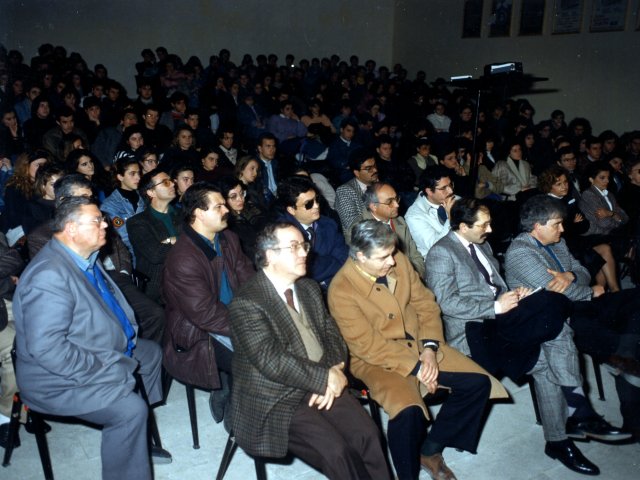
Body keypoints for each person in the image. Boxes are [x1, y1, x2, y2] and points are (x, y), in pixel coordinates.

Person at [425, 198, 628, 476]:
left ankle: (561, 437)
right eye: (484, 224)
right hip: (475, 330)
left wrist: (517, 295)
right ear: (462, 226)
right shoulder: (441, 253)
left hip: (504, 317)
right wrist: (495, 306)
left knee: (551, 333)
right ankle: (578, 414)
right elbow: (446, 303)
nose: (491, 229)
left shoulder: (481, 244)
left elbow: (496, 284)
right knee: (553, 313)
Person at [328, 220, 506, 480]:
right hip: (375, 360)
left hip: (420, 345)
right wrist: (419, 368)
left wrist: (430, 349)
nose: (391, 261)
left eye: (392, 253)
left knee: (479, 384)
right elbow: (367, 345)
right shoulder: (341, 289)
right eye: (383, 257)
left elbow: (426, 304)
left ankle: (430, 451)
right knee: (407, 411)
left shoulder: (397, 258)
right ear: (359, 257)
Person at [13, 196, 165, 480]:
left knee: (151, 354)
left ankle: (134, 437)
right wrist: (109, 367)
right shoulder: (49, 276)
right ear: (71, 229)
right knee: (129, 411)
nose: (106, 224)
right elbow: (48, 351)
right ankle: (129, 428)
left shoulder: (82, 257)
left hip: (96, 346)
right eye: (97, 220)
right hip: (54, 380)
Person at [228, 222, 391, 480]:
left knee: (367, 435)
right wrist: (324, 379)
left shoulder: (308, 288)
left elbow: (332, 334)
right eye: (294, 247)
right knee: (337, 452)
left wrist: (335, 370)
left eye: (303, 245)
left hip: (324, 376)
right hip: (277, 395)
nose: (305, 252)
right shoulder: (247, 303)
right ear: (270, 256)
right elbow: (271, 361)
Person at [504, 194, 640, 441]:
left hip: (582, 303)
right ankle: (625, 360)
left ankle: (626, 355)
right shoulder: (520, 253)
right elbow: (556, 290)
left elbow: (583, 271)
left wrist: (571, 275)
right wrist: (590, 291)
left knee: (635, 299)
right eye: (557, 224)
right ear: (537, 226)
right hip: (561, 315)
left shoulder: (556, 241)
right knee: (614, 337)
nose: (562, 229)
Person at [163, 182, 254, 421]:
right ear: (198, 213)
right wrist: (251, 326)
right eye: (219, 206)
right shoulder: (183, 258)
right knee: (254, 357)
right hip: (198, 331)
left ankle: (235, 391)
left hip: (232, 315)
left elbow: (249, 280)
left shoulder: (228, 239)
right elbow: (205, 314)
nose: (227, 209)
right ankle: (238, 421)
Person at [276, 176, 348, 289]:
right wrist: (329, 262)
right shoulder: (282, 233)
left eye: (317, 199)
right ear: (291, 210)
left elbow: (343, 259)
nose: (316, 205)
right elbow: (301, 273)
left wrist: (316, 263)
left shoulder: (329, 224)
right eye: (308, 204)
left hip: (336, 283)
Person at [127, 170, 182, 303]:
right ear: (151, 192)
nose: (173, 184)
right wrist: (183, 240)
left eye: (171, 181)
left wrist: (171, 241)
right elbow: (156, 254)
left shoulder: (183, 215)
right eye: (165, 182)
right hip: (159, 286)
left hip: (189, 276)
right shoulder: (137, 222)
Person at [0, 232, 23, 448]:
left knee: (42, 330)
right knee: (15, 347)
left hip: (7, 298)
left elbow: (13, 257)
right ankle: (6, 418)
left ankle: (27, 409)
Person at [405, 166, 457, 258]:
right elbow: (436, 246)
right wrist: (450, 218)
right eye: (444, 188)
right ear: (429, 191)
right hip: (438, 260)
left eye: (451, 185)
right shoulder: (414, 216)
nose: (451, 191)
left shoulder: (453, 199)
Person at [101, 157, 145, 260]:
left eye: (139, 173)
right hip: (131, 257)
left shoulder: (144, 197)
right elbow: (123, 237)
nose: (138, 177)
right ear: (120, 176)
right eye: (132, 173)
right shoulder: (109, 205)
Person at [334, 148, 379, 237]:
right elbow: (354, 226)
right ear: (357, 173)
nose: (375, 170)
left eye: (375, 166)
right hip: (362, 240)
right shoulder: (345, 191)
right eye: (369, 168)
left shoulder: (381, 186)